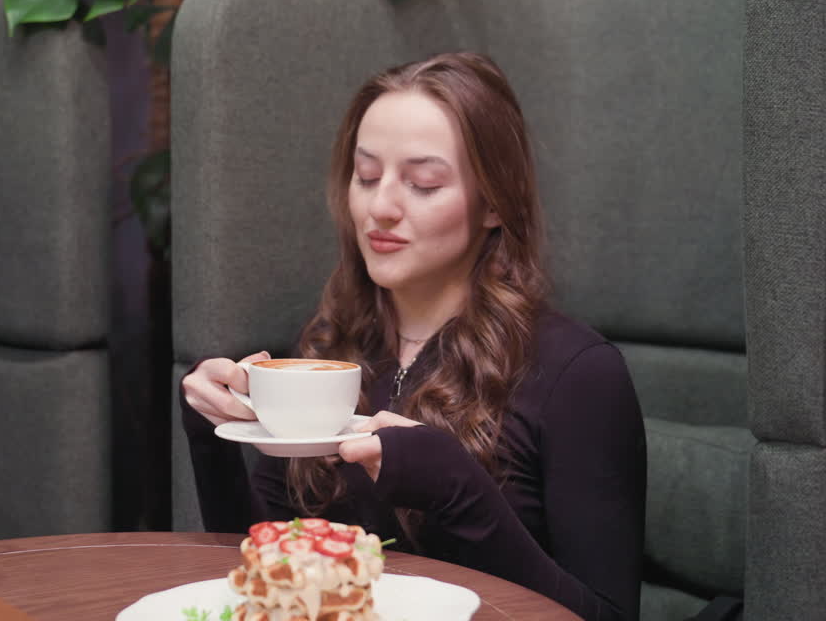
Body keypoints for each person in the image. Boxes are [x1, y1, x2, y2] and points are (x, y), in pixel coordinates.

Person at [180, 52, 646, 621]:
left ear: (494, 204)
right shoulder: (334, 348)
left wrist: (457, 488)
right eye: (367, 176)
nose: (380, 207)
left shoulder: (579, 373)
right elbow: (270, 566)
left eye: (423, 183)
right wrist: (213, 435)